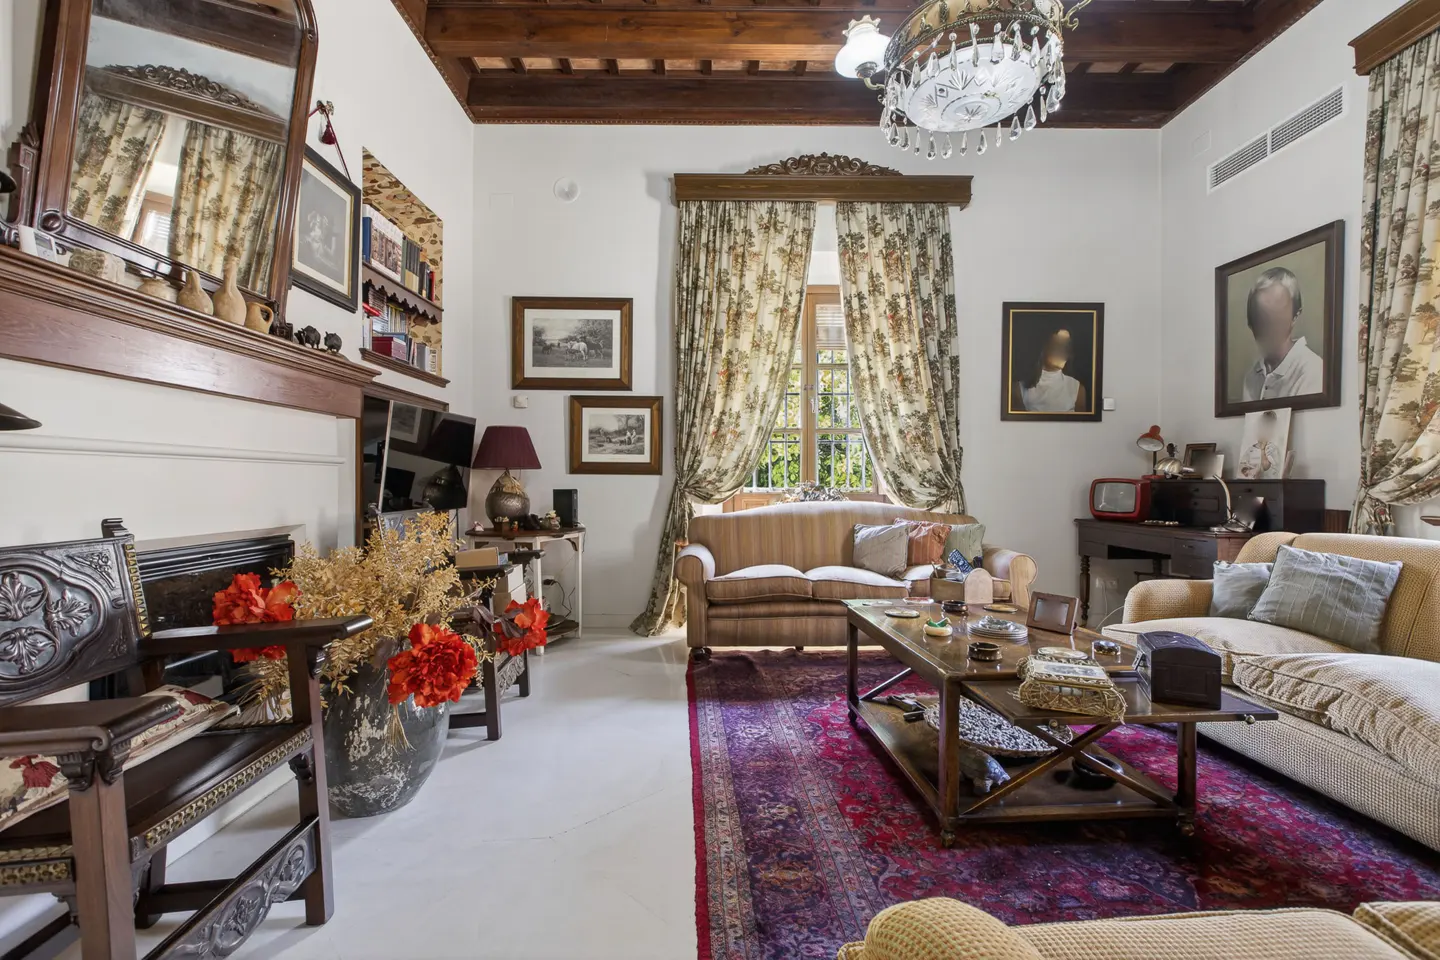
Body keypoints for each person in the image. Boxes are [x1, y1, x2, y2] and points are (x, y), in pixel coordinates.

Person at [1241, 267, 1323, 402]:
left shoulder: (1312, 370)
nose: (1267, 327)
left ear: (1295, 316)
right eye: (1259, 317)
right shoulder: (1252, 377)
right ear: (1250, 322)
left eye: (1275, 316)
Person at [1014, 327, 1087, 413]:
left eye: (1066, 346)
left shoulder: (1077, 389)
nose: (1062, 350)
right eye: (1057, 344)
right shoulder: (1018, 389)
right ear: (1043, 347)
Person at [1239, 410, 1283, 479]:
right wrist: (1248, 471)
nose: (1262, 432)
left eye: (1267, 428)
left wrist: (1266, 469)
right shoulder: (1250, 450)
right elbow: (1241, 470)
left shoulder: (1273, 450)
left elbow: (1277, 474)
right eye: (1260, 428)